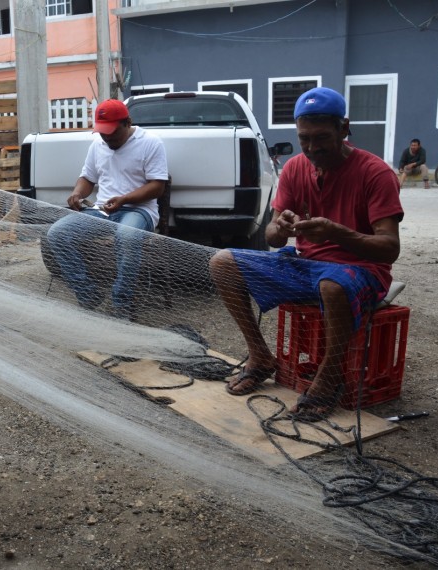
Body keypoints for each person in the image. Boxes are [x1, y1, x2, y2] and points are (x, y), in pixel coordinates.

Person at [208, 87, 403, 420]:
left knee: (332, 285)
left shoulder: (376, 173)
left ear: (344, 128)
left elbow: (389, 249)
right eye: (304, 139)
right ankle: (260, 356)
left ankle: (329, 379)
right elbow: (272, 237)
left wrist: (336, 233)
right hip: (307, 265)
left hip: (362, 270)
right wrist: (281, 227)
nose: (312, 148)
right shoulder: (296, 168)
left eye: (322, 137)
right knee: (222, 262)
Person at [45, 99, 169, 320]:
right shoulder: (98, 145)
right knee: (58, 233)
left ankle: (122, 303)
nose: (107, 138)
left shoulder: (151, 143)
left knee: (127, 235)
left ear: (127, 122)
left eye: (112, 133)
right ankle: (88, 295)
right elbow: (87, 178)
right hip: (102, 210)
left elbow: (157, 187)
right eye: (102, 133)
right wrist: (78, 193)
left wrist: (124, 199)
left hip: (138, 211)